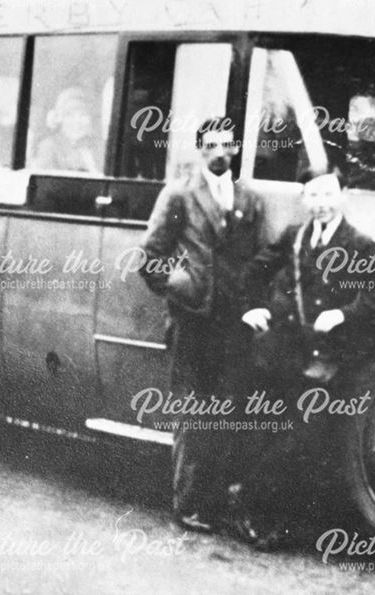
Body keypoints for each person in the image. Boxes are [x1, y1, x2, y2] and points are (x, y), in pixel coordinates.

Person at [234, 165, 375, 549]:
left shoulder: (360, 244)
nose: (322, 204)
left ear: (343, 196)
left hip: (332, 360)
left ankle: (272, 513)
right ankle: (256, 512)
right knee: (273, 431)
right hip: (288, 352)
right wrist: (251, 308)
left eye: (329, 194)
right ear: (304, 199)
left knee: (305, 438)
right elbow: (253, 273)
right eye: (314, 195)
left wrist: (344, 314)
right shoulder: (295, 238)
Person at [138, 117, 265, 533]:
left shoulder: (249, 198)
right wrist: (185, 286)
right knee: (193, 417)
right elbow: (151, 257)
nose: (219, 153)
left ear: (236, 148)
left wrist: (251, 306)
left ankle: (215, 503)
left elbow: (256, 260)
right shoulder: (180, 193)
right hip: (193, 323)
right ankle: (188, 504)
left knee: (225, 414)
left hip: (234, 325)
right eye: (210, 145)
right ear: (199, 149)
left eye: (227, 145)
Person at [30, 88, 101, 174]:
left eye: (83, 115)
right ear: (60, 119)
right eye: (70, 115)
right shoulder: (49, 146)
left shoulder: (97, 146)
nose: (77, 121)